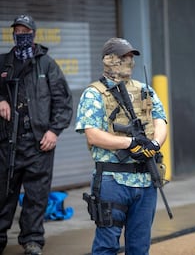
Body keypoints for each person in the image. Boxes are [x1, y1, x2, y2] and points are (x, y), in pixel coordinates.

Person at [75, 37, 167, 255]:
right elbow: (92, 135)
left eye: (130, 56)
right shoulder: (94, 93)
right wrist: (130, 142)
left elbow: (160, 120)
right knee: (107, 245)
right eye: (122, 56)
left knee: (139, 247)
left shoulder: (145, 90)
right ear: (108, 60)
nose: (128, 61)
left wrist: (154, 144)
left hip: (145, 181)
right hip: (112, 181)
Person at [0, 14, 73, 255]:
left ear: (33, 33)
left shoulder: (47, 65)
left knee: (36, 195)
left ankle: (32, 240)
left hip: (39, 144)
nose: (21, 34)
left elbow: (63, 101)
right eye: (17, 30)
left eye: (25, 31)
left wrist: (54, 131)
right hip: (7, 144)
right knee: (3, 193)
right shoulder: (4, 62)